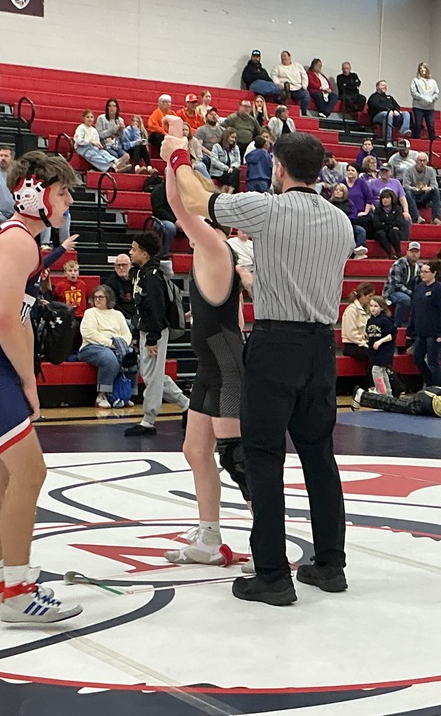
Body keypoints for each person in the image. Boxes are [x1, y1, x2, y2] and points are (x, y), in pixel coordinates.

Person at [162, 127, 354, 605]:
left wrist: (178, 153)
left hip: (276, 342)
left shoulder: (268, 209)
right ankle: (330, 564)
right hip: (321, 346)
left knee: (264, 456)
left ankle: (271, 573)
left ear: (280, 169)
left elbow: (195, 199)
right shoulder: (341, 221)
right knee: (319, 456)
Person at [0, 149, 84, 624]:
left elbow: (13, 319)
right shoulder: (20, 242)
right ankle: (19, 592)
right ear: (34, 192)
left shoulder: (11, 239)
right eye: (63, 193)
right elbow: (8, 320)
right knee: (29, 474)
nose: (68, 204)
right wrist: (28, 382)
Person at [160, 141, 250, 564]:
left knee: (238, 459)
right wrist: (168, 161)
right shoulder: (206, 245)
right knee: (195, 451)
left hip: (227, 365)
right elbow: (177, 203)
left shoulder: (215, 247)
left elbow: (181, 209)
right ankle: (209, 540)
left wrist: (178, 152)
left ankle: (268, 533)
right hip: (211, 365)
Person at [124, 230, 190, 437]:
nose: (130, 252)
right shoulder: (142, 273)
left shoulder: (152, 276)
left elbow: (156, 309)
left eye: (134, 249)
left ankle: (148, 420)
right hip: (148, 330)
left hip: (156, 331)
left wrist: (152, 337)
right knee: (152, 374)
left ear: (144, 254)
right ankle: (188, 404)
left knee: (152, 376)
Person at [77, 285, 133, 408]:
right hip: (92, 347)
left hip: (117, 345)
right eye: (95, 297)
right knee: (109, 359)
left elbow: (127, 334)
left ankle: (125, 395)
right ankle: (102, 395)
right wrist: (110, 344)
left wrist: (121, 344)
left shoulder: (117, 314)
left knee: (132, 357)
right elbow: (89, 333)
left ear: (108, 298)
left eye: (101, 297)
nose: (97, 300)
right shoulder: (90, 313)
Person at [408, 260, 441, 387]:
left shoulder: (440, 289)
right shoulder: (419, 287)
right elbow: (414, 309)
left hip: (434, 332)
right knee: (417, 357)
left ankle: (437, 387)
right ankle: (429, 380)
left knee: (433, 361)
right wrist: (410, 328)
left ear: (434, 273)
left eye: (426, 272)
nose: (422, 274)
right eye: (421, 272)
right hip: (421, 331)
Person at [366, 295, 398, 395]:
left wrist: (380, 341)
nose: (373, 308)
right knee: (382, 371)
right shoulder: (370, 320)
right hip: (373, 351)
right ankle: (388, 393)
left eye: (376, 306)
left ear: (382, 308)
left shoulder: (384, 320)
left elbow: (392, 334)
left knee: (376, 371)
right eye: (371, 306)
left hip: (384, 350)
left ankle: (381, 392)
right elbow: (370, 333)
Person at [341, 282, 375, 374]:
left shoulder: (367, 309)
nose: (371, 299)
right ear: (363, 295)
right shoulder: (351, 310)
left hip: (363, 343)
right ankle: (371, 384)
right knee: (374, 355)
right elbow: (351, 334)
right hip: (352, 345)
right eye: (370, 296)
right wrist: (365, 342)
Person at [385, 241, 421, 327]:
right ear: (407, 252)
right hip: (393, 291)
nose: (414, 254)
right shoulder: (399, 264)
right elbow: (396, 284)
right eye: (412, 251)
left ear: (420, 253)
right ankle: (396, 325)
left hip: (410, 292)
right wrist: (411, 293)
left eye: (416, 252)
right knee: (405, 299)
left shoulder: (420, 266)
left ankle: (415, 326)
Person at [402, 152, 441, 224]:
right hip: (413, 195)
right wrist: (417, 189)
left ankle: (435, 218)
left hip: (424, 195)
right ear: (416, 161)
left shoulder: (430, 170)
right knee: (407, 191)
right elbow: (405, 185)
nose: (422, 163)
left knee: (435, 191)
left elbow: (434, 185)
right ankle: (417, 217)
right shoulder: (408, 171)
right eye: (420, 160)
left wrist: (429, 188)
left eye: (424, 161)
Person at [368, 80, 410, 148]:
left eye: (385, 85)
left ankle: (404, 131)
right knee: (388, 114)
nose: (384, 87)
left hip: (392, 115)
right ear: (377, 87)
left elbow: (397, 106)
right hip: (378, 116)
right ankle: (388, 140)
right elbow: (375, 106)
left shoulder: (389, 97)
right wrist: (390, 110)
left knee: (406, 113)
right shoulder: (374, 97)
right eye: (382, 85)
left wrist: (396, 110)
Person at [371, 189, 407, 260]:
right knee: (380, 233)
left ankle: (398, 253)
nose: (385, 200)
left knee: (393, 232)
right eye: (383, 198)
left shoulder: (397, 209)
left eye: (387, 198)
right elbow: (376, 224)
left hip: (394, 232)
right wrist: (391, 225)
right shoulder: (378, 210)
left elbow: (399, 222)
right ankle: (390, 254)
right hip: (382, 232)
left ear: (392, 198)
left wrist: (384, 223)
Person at [410, 62, 439, 141]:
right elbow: (414, 92)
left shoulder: (433, 82)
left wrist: (432, 99)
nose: (423, 70)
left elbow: (436, 92)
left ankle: (432, 141)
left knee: (431, 125)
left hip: (430, 107)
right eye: (421, 68)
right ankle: (415, 140)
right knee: (418, 125)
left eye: (424, 68)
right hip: (418, 107)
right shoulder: (415, 80)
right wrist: (424, 98)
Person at [103, 253, 135, 320]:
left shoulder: (137, 278)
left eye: (124, 265)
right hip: (121, 317)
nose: (121, 268)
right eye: (118, 265)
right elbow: (114, 305)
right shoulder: (110, 282)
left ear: (130, 265)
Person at [209, 128, 242, 193]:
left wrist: (232, 167)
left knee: (236, 172)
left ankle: (229, 192)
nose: (233, 140)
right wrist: (226, 168)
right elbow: (214, 161)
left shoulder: (236, 148)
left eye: (235, 138)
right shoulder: (217, 147)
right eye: (232, 137)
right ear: (226, 136)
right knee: (235, 175)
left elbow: (238, 161)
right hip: (218, 173)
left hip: (230, 172)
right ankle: (231, 193)